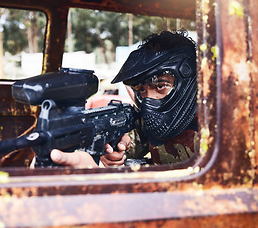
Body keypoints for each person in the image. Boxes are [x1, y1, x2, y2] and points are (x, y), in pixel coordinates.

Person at [48, 29, 199, 167]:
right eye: (141, 90)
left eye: (160, 86)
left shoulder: (217, 130)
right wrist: (116, 152)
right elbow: (130, 143)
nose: (148, 99)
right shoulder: (147, 123)